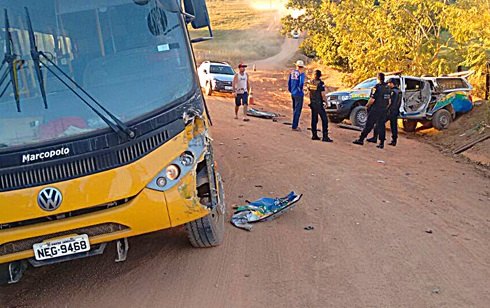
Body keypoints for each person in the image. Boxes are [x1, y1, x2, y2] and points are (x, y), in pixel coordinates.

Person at [353, 72, 391, 149]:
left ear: (378, 78)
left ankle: (361, 139)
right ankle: (381, 143)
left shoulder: (377, 87)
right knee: (381, 126)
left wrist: (367, 106)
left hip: (375, 109)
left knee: (369, 124)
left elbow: (372, 99)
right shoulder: (388, 88)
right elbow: (389, 101)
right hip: (383, 110)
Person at [366, 78, 402, 146]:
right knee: (394, 126)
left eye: (389, 83)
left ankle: (375, 137)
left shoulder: (392, 91)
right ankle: (394, 140)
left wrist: (385, 109)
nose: (388, 85)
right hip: (395, 111)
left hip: (389, 111)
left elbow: (389, 102)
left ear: (391, 83)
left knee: (379, 123)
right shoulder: (399, 91)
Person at [306, 70, 333, 142]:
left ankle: (314, 135)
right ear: (320, 75)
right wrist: (326, 102)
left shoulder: (310, 82)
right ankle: (325, 136)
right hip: (319, 103)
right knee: (324, 120)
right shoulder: (320, 83)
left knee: (314, 119)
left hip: (313, 103)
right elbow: (323, 94)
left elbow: (308, 92)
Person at [288, 60, 306, 131]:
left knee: (294, 109)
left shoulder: (292, 73)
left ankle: (294, 124)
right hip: (298, 93)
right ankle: (295, 126)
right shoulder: (301, 74)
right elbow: (301, 83)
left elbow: (289, 83)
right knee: (298, 110)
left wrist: (291, 90)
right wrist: (300, 89)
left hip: (293, 92)